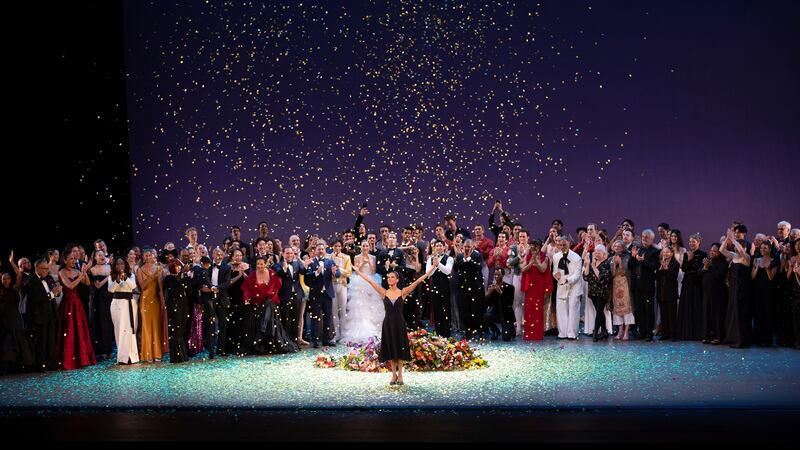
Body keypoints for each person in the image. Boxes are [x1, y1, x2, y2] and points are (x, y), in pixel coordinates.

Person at [352, 264, 436, 386]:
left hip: (399, 323)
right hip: (388, 324)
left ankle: (400, 374)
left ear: (397, 280)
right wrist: (358, 272)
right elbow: (370, 281)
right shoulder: (383, 292)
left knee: (400, 348)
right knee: (391, 348)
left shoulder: (403, 292)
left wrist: (432, 268)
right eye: (388, 277)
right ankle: (393, 374)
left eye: (392, 277)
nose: (390, 279)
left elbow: (418, 281)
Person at [19, 259, 61, 371]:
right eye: (45, 268)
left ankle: (50, 362)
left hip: (51, 314)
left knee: (51, 340)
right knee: (41, 342)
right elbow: (37, 298)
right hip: (39, 316)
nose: (48, 270)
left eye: (47, 268)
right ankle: (40, 364)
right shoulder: (31, 281)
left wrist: (58, 291)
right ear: (37, 269)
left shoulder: (48, 278)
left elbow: (54, 292)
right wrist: (52, 293)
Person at [55, 254, 96, 370]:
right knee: (69, 331)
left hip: (77, 304)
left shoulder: (76, 271)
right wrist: (81, 274)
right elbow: (70, 286)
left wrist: (84, 272)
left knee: (79, 330)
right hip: (68, 304)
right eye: (71, 259)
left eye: (74, 259)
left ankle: (82, 359)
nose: (73, 261)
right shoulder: (62, 272)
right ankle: (69, 360)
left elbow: (87, 283)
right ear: (64, 260)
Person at [342, 241, 386, 343]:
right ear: (361, 247)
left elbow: (374, 271)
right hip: (360, 280)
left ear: (369, 247)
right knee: (361, 305)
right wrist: (363, 263)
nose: (365, 247)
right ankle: (361, 327)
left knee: (372, 305)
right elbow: (357, 270)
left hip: (371, 280)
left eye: (367, 246)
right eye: (363, 246)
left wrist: (369, 262)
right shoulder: (357, 257)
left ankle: (373, 328)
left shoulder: (373, 257)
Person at [304, 243, 341, 347]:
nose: (320, 251)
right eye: (318, 249)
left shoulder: (330, 261)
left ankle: (326, 340)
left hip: (328, 294)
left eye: (322, 249)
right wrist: (316, 273)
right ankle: (315, 341)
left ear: (325, 250)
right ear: (315, 251)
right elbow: (307, 278)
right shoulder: (311, 262)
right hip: (316, 294)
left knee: (328, 317)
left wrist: (334, 273)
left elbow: (338, 274)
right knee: (315, 317)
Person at [720, 228, 752, 348]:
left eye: (742, 247)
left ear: (745, 248)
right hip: (733, 288)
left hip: (742, 289)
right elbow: (721, 250)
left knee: (740, 313)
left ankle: (741, 339)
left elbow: (742, 252)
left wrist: (734, 240)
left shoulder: (746, 258)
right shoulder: (733, 256)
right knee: (732, 312)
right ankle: (732, 338)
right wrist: (727, 239)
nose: (739, 249)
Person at [629, 230, 660, 341]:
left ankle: (649, 333)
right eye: (643, 236)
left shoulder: (655, 252)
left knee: (648, 310)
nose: (644, 239)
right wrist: (633, 257)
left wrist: (642, 261)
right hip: (637, 285)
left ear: (652, 239)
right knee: (639, 309)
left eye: (646, 237)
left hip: (647, 285)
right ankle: (641, 332)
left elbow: (654, 267)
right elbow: (630, 266)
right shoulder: (639, 249)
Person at [136, 248, 167, 362]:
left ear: (153, 256)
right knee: (147, 327)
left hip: (156, 300)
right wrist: (152, 275)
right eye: (146, 255)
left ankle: (157, 353)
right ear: (144, 257)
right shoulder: (140, 270)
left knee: (156, 326)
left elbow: (160, 287)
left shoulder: (158, 268)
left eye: (150, 255)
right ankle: (148, 354)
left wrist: (163, 300)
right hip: (145, 300)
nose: (148, 257)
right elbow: (142, 286)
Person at [108, 257, 140, 365]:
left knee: (130, 328)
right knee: (120, 330)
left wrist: (125, 278)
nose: (120, 266)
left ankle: (132, 356)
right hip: (117, 304)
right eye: (118, 264)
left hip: (129, 303)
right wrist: (117, 280)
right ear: (115, 266)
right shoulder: (111, 277)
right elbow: (111, 289)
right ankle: (122, 357)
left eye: (122, 264)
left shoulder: (131, 275)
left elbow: (133, 286)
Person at [0, 272, 34, 374]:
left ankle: (19, 366)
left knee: (18, 340)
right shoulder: (0, 291)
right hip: (3, 319)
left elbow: (19, 276)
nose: (6, 281)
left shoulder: (15, 289)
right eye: (4, 279)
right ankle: (5, 368)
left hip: (14, 318)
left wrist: (12, 263)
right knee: (5, 341)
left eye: (8, 278)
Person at [453, 239, 486, 340]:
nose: (467, 249)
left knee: (476, 310)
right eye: (465, 247)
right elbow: (456, 268)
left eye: (469, 247)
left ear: (473, 247)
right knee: (464, 310)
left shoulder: (477, 255)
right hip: (462, 287)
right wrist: (463, 260)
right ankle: (468, 331)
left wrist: (469, 260)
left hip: (475, 287)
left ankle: (480, 332)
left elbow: (479, 267)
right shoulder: (459, 256)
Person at [552, 237, 583, 340]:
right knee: (561, 308)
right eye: (560, 245)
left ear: (569, 244)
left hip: (574, 286)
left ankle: (572, 333)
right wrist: (555, 275)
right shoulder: (556, 257)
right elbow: (555, 270)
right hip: (561, 285)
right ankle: (562, 333)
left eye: (564, 245)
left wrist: (568, 280)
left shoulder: (576, 258)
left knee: (573, 309)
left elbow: (577, 275)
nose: (562, 247)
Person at [677, 234, 707, 340]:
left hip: (697, 283)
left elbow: (698, 270)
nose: (691, 244)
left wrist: (690, 262)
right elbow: (684, 268)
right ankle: (686, 333)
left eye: (693, 241)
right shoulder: (687, 254)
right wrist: (688, 260)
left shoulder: (703, 254)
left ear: (699, 242)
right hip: (687, 283)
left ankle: (697, 333)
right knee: (686, 307)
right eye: (690, 242)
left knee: (696, 307)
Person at [521, 237, 552, 341]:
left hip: (539, 287)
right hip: (530, 288)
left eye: (535, 247)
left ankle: (538, 335)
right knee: (529, 311)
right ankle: (528, 334)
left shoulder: (545, 257)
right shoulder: (528, 256)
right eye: (532, 247)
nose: (533, 249)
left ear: (539, 247)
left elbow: (543, 269)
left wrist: (537, 262)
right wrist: (530, 263)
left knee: (538, 312)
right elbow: (523, 269)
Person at [751, 241, 778, 346]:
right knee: (758, 314)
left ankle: (767, 340)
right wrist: (757, 267)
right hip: (757, 291)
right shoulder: (756, 260)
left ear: (769, 249)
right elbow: (752, 277)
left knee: (767, 314)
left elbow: (771, 278)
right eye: (761, 248)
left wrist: (767, 268)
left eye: (765, 248)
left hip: (768, 292)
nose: (762, 250)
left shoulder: (774, 261)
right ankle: (758, 340)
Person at [426, 239, 455, 337]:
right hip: (434, 286)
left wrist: (438, 264)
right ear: (434, 248)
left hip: (445, 286)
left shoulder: (449, 258)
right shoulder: (430, 259)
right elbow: (428, 274)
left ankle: (447, 332)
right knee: (436, 308)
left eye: (440, 245)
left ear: (444, 247)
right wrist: (434, 265)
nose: (438, 247)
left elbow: (447, 271)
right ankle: (438, 332)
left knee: (446, 308)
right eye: (437, 246)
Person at [89, 250, 114, 359]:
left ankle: (109, 349)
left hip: (111, 297)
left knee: (110, 323)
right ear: (94, 257)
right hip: (100, 299)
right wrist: (107, 277)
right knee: (102, 323)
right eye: (99, 255)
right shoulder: (93, 270)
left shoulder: (110, 267)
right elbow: (98, 286)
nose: (102, 256)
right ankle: (102, 350)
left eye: (103, 255)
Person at [582, 244, 611, 341]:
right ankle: (604, 331)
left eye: (599, 252)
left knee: (599, 312)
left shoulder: (607, 263)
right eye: (596, 252)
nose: (597, 254)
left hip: (602, 292)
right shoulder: (592, 262)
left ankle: (595, 331)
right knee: (600, 312)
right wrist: (587, 264)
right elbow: (586, 277)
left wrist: (594, 266)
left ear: (604, 254)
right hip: (593, 291)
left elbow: (602, 278)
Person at [701, 243, 728, 345]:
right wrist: (704, 267)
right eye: (711, 250)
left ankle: (718, 337)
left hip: (718, 293)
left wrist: (709, 266)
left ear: (719, 252)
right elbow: (699, 273)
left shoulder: (723, 263)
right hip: (706, 293)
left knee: (717, 315)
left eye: (715, 251)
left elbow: (719, 275)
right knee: (707, 314)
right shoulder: (707, 260)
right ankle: (706, 336)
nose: (712, 252)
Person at [328, 240, 352, 342]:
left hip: (342, 285)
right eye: (335, 246)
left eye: (339, 246)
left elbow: (349, 273)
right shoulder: (329, 258)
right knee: (334, 312)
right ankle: (336, 334)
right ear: (332, 247)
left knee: (343, 311)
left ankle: (345, 334)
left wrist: (339, 269)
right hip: (332, 285)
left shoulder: (346, 257)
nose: (337, 248)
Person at [610, 241, 634, 340]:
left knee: (627, 308)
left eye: (619, 246)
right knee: (617, 308)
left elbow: (625, 272)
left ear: (623, 248)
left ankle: (626, 331)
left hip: (626, 285)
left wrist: (620, 264)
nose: (617, 248)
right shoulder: (611, 258)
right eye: (615, 246)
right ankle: (620, 330)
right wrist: (615, 264)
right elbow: (612, 273)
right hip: (615, 286)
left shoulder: (628, 257)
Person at [656, 247, 680, 341]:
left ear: (672, 253)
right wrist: (661, 268)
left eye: (667, 252)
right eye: (663, 252)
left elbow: (673, 277)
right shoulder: (660, 262)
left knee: (671, 315)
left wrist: (666, 268)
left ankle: (673, 335)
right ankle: (665, 334)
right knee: (663, 315)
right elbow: (656, 277)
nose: (665, 254)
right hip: (661, 293)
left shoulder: (675, 264)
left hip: (671, 293)